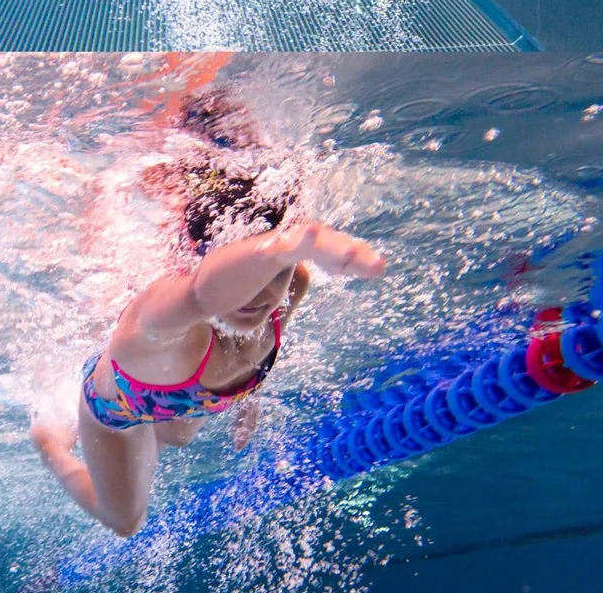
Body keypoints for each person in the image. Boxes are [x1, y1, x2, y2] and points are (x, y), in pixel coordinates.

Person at [31, 98, 386, 538]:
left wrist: (250, 399)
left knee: (178, 436)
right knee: (124, 522)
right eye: (250, 275)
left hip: (187, 394)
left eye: (274, 275)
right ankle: (49, 443)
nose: (255, 299)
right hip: (118, 407)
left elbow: (269, 339)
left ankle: (167, 423)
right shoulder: (161, 309)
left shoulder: (293, 284)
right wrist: (284, 244)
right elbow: (205, 293)